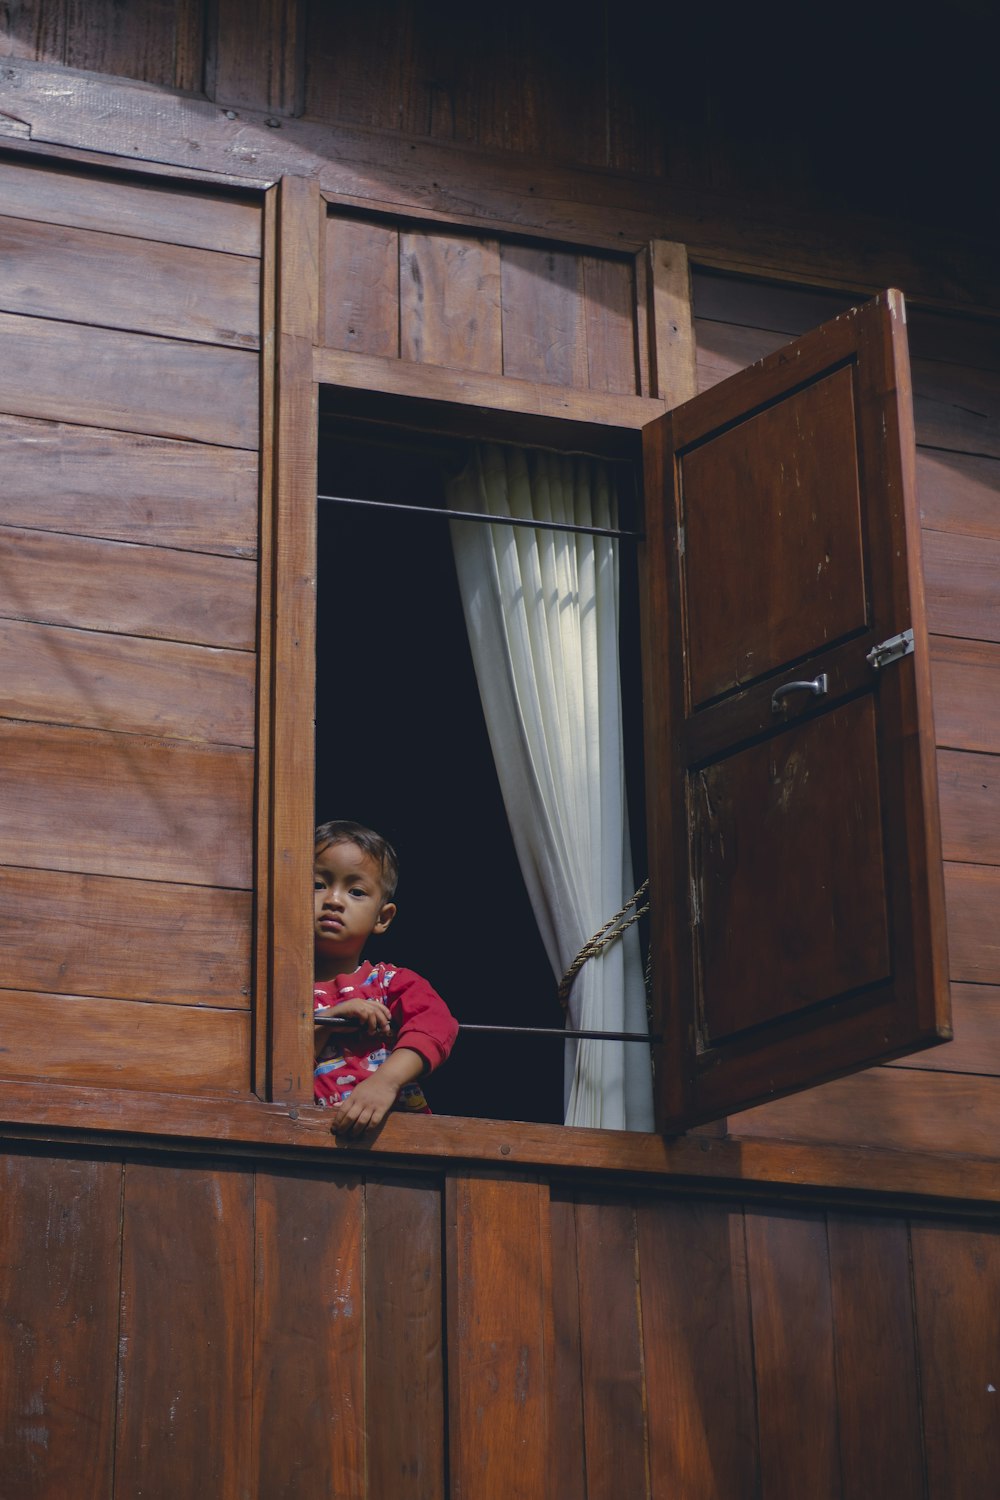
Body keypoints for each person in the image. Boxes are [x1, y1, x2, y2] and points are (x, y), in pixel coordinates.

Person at [313, 819, 458, 1137]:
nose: (334, 900)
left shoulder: (392, 983)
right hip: (310, 1139)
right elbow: (270, 1066)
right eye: (318, 885)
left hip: (395, 1142)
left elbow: (438, 1026)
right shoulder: (280, 990)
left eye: (355, 891)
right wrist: (327, 1020)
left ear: (382, 917)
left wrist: (385, 1082)